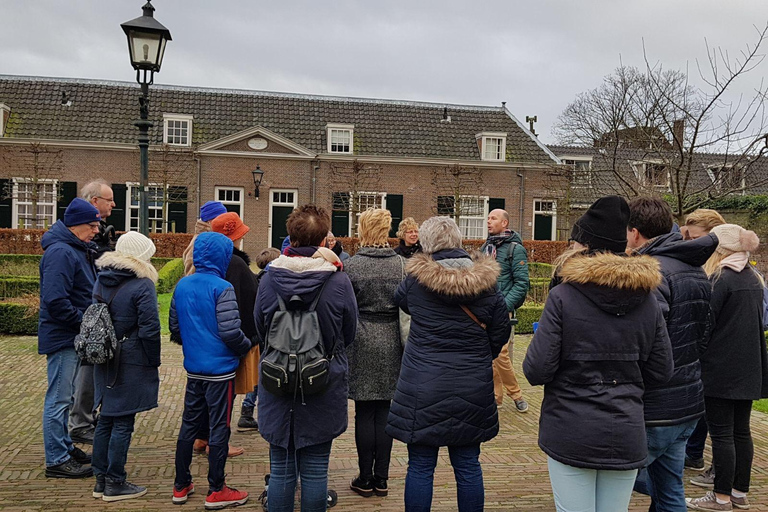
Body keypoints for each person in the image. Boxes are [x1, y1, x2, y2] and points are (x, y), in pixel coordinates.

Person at [523, 195, 674, 512]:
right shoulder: (646, 300)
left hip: (570, 427)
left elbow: (536, 369)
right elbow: (662, 371)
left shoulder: (563, 296)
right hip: (625, 428)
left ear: (583, 244)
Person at [386, 216, 511, 512]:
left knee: (419, 466)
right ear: (458, 241)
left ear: (427, 243)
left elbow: (400, 301)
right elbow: (500, 331)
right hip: (472, 384)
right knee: (468, 465)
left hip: (422, 385)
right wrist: (481, 354)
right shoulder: (487, 283)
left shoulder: (416, 281)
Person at [255, 204, 358, 512]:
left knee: (282, 469)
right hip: (321, 379)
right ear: (325, 238)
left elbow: (260, 328)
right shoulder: (338, 282)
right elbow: (349, 331)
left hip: (278, 379)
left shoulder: (268, 280)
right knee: (315, 471)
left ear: (291, 236)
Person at [625, 197, 717, 511]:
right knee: (669, 491)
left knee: (613, 475)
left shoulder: (651, 274)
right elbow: (704, 335)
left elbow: (644, 343)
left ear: (635, 233)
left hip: (656, 406)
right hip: (688, 401)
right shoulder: (696, 270)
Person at [686, 224, 768, 511]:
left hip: (720, 368)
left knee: (721, 435)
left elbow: (706, 327)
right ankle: (739, 493)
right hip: (749, 367)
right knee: (741, 432)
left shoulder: (720, 278)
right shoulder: (754, 279)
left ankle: (720, 497)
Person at [171, 232, 252, 509]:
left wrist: (195, 345)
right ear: (223, 256)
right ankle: (217, 489)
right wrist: (244, 347)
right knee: (219, 427)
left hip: (194, 369)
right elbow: (231, 331)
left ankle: (180, 485)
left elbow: (174, 327)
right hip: (220, 371)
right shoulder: (222, 287)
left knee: (189, 426)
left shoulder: (182, 285)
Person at [90, 231, 161, 502]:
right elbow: (150, 328)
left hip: (104, 354)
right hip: (130, 356)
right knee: (123, 421)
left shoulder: (102, 279)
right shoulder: (142, 285)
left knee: (106, 417)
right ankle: (115, 481)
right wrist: (152, 360)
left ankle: (100, 480)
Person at [39, 198, 101, 478]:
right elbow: (55, 300)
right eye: (92, 225)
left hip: (72, 334)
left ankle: (64, 446)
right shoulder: (61, 253)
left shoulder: (75, 248)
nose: (97, 230)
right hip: (65, 336)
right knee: (59, 398)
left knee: (66, 396)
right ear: (76, 226)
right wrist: (85, 320)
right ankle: (56, 459)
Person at [345, 208, 404, 498]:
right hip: (392, 338)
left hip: (362, 339)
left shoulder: (353, 266)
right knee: (385, 411)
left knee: (364, 411)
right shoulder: (401, 266)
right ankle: (382, 478)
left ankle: (365, 477)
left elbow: (345, 308)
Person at [69, 180, 118, 445]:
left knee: (92, 370)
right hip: (84, 316)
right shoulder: (72, 246)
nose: (113, 204)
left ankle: (85, 416)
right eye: (108, 199)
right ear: (93, 201)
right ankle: (80, 422)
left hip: (92, 312)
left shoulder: (92, 239)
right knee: (84, 372)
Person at [210, 212, 260, 433]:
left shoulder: (208, 261)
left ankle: (203, 435)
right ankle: (218, 438)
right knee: (225, 391)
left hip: (208, 337)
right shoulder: (235, 264)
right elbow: (243, 299)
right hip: (232, 336)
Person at [481, 208, 530, 412]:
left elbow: (521, 283)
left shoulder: (515, 249)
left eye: (493, 218)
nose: (488, 221)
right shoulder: (486, 247)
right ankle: (496, 397)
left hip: (501, 308)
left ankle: (516, 394)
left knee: (500, 354)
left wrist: (505, 307)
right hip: (484, 307)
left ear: (505, 224)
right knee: (490, 354)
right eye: (488, 218)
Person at [183, 201, 228, 276]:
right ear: (210, 221)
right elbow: (191, 275)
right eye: (221, 218)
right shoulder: (199, 242)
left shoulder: (211, 238)